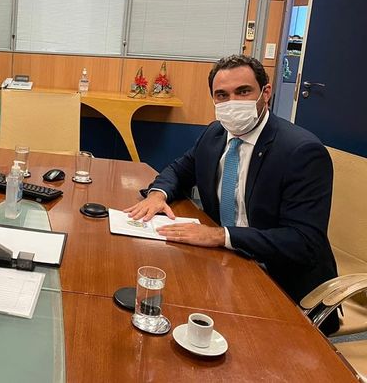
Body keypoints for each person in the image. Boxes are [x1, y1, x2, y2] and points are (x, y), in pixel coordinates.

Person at [127, 55, 338, 333]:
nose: (232, 102)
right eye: (222, 95)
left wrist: (220, 236)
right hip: (224, 265)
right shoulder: (215, 134)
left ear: (265, 93)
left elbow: (303, 241)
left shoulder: (301, 151)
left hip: (281, 280)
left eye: (243, 91)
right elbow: (179, 170)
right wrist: (158, 195)